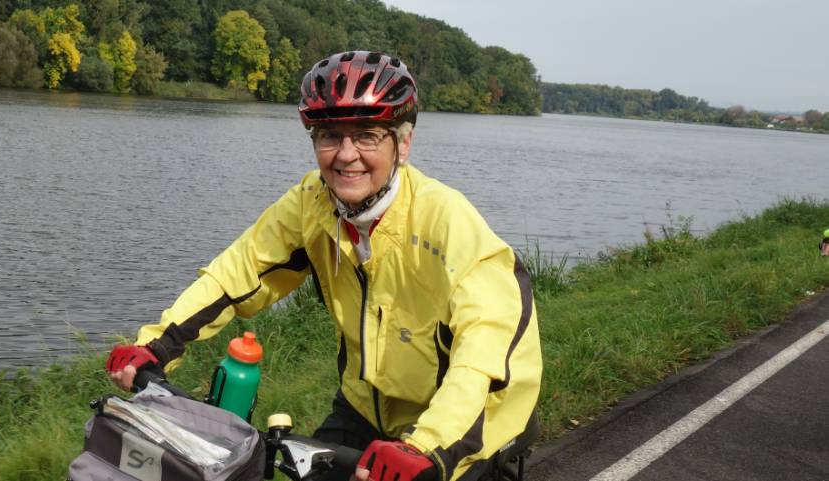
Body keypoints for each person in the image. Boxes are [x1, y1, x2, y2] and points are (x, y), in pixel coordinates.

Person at [105, 51, 542, 481]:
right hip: (362, 404)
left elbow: (481, 360)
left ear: (402, 144)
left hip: (469, 418)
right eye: (329, 135)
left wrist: (425, 445)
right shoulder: (312, 204)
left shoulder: (448, 223)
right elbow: (237, 272)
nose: (345, 155)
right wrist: (157, 346)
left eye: (367, 135)